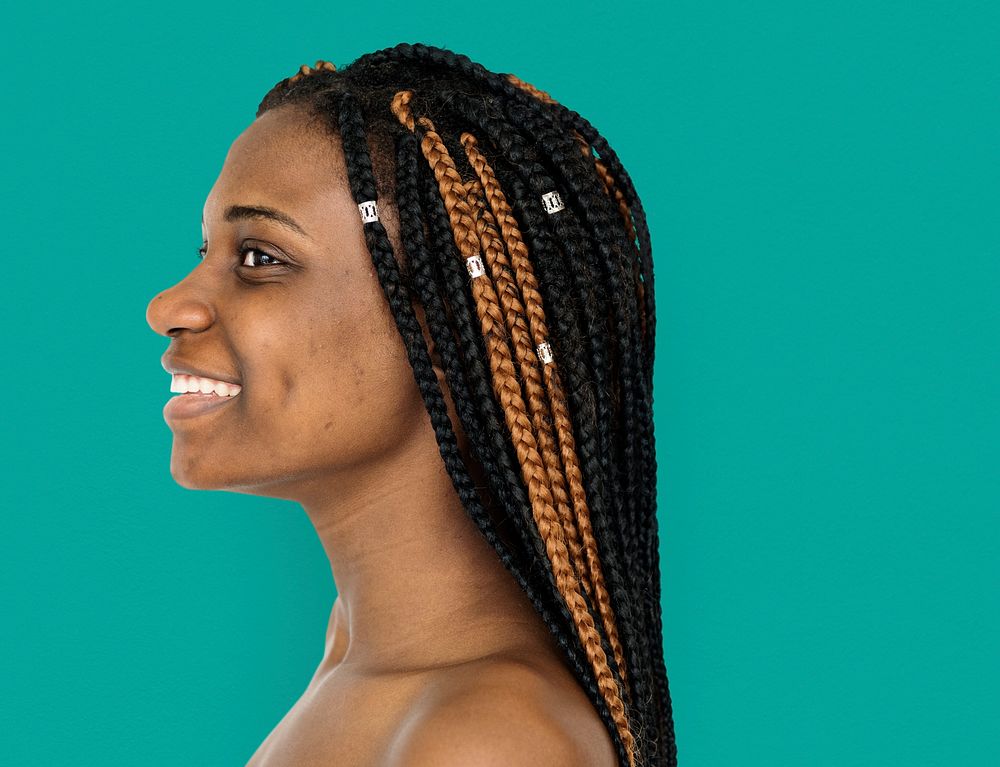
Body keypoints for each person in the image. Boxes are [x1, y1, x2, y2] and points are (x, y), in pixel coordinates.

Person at [146, 42, 676, 767]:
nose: (168, 305)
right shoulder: (361, 654)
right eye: (207, 249)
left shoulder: (485, 740)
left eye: (261, 258)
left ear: (450, 324)